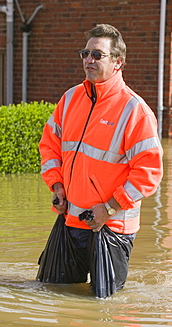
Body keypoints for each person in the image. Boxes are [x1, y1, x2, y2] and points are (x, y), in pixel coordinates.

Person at [38, 24, 163, 297]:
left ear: (119, 62)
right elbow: (49, 146)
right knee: (52, 294)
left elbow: (149, 173)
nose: (89, 60)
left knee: (105, 313)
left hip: (112, 226)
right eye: (85, 53)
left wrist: (109, 207)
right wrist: (57, 186)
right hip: (71, 220)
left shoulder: (135, 111)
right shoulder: (70, 99)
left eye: (97, 54)